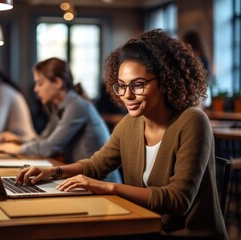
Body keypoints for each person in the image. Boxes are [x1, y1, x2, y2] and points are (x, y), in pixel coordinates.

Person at [14, 30, 228, 239]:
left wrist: (109, 187)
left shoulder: (192, 121)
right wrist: (53, 172)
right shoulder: (131, 123)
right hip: (146, 226)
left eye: (138, 85)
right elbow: (96, 165)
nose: (127, 95)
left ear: (164, 81)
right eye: (122, 86)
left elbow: (178, 200)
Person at [0, 57, 122, 183]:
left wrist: (18, 149)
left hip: (101, 183)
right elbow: (44, 139)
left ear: (57, 83)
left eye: (40, 83)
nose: (35, 89)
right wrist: (20, 141)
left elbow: (49, 147)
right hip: (82, 180)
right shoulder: (59, 107)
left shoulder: (76, 106)